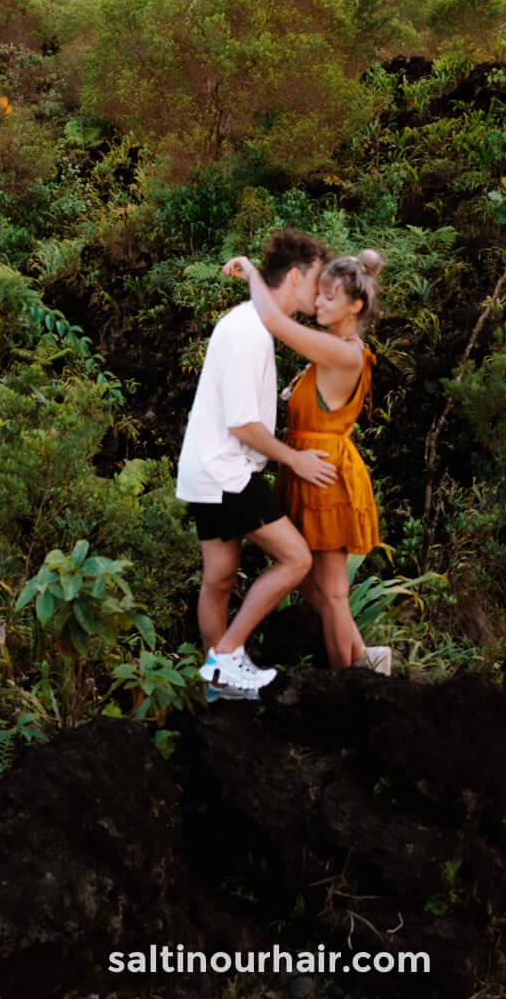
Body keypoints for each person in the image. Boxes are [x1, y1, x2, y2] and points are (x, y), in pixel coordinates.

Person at [176, 228, 337, 694]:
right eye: (317, 282)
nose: (321, 292)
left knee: (220, 578)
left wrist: (247, 268)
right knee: (296, 558)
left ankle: (218, 681)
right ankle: (227, 655)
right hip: (226, 472)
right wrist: (296, 461)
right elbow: (245, 425)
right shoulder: (250, 333)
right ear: (293, 277)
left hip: (205, 471)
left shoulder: (248, 322)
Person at [221, 248, 389, 674]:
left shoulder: (345, 353)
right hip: (309, 467)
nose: (318, 304)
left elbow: (276, 323)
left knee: (331, 593)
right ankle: (367, 661)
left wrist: (254, 273)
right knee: (315, 588)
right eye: (320, 295)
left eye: (329, 298)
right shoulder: (332, 349)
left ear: (356, 306)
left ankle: (347, 686)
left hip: (323, 476)